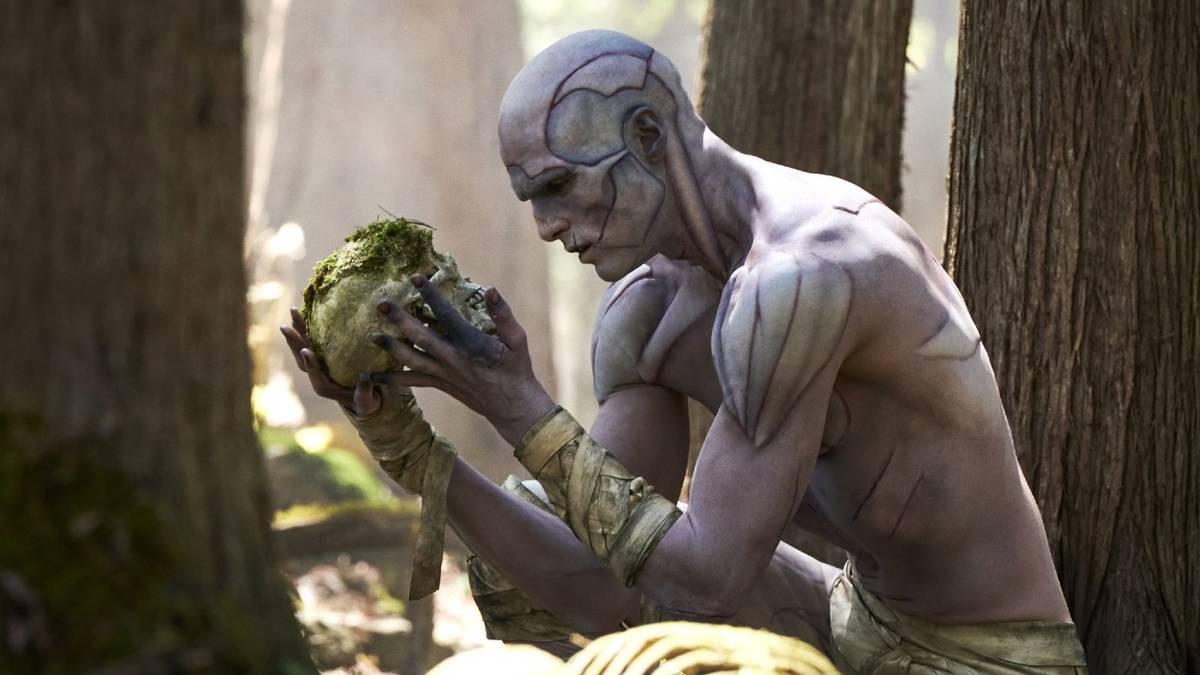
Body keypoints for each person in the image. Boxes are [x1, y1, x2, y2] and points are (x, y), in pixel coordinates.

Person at [282, 30, 1088, 673]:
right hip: (852, 624)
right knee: (532, 543)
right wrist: (413, 448)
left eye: (560, 187)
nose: (545, 227)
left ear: (647, 135)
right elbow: (601, 585)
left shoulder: (804, 275)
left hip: (990, 659)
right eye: (531, 198)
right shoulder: (650, 310)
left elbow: (702, 587)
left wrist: (515, 401)